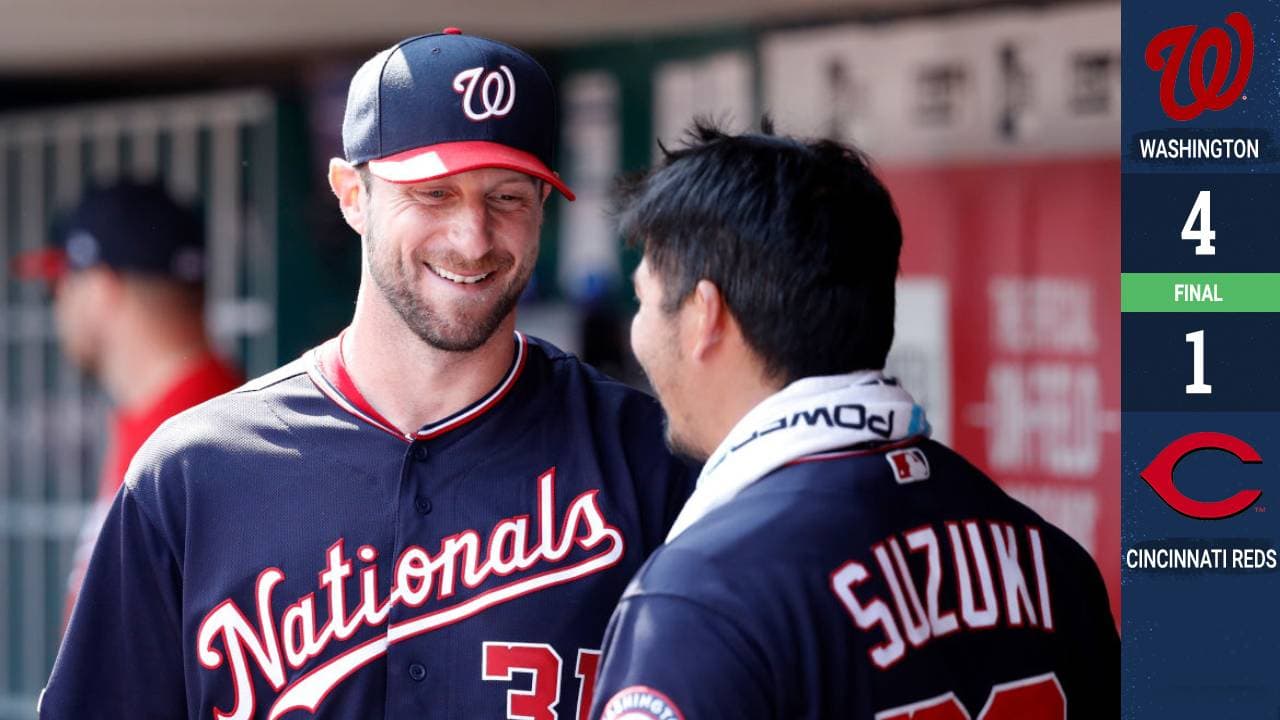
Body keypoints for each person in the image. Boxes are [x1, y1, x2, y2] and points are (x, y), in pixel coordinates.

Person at [40, 30, 691, 719]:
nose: (472, 238)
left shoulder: (645, 456)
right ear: (352, 194)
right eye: (434, 193)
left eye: (507, 198)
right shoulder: (193, 473)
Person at [590, 122, 1119, 719]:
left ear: (704, 316)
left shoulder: (702, 598)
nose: (638, 332)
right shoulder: (1053, 559)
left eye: (643, 299)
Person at [12, 181, 243, 620]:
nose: (57, 305)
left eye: (59, 286)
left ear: (99, 288)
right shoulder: (180, 415)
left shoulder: (197, 434)